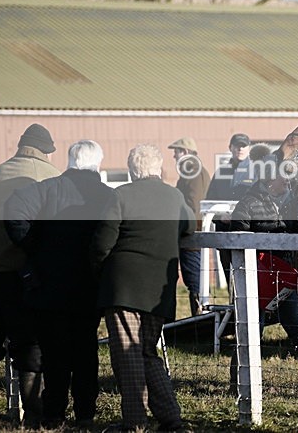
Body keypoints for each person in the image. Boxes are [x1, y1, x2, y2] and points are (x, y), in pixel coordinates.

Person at [4, 140, 114, 429]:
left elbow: (14, 212)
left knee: (54, 355)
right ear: (98, 164)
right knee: (86, 352)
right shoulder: (108, 196)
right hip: (89, 288)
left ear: (69, 161)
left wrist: (33, 247)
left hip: (49, 286)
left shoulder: (46, 189)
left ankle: (53, 413)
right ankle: (86, 413)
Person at [91, 144, 195, 432]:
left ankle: (135, 422)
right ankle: (171, 417)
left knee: (127, 353)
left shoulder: (120, 195)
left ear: (132, 170)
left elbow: (102, 243)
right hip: (158, 289)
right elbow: (189, 226)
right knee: (147, 351)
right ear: (158, 169)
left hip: (123, 287)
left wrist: (98, 272)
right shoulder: (174, 196)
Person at [0, 123, 60, 425]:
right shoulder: (46, 175)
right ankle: (33, 413)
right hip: (17, 272)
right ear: (47, 152)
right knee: (28, 343)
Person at [229, 155, 298, 395]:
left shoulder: (291, 204)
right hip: (258, 278)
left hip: (284, 276)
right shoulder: (247, 204)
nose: (289, 181)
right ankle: (238, 384)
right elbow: (236, 238)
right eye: (283, 177)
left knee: (297, 326)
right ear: (269, 178)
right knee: (251, 328)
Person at [206, 133, 257, 292]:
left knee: (251, 278)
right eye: (237, 145)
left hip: (249, 234)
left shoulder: (257, 172)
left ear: (249, 148)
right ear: (230, 148)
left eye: (243, 145)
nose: (240, 148)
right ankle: (233, 310)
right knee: (230, 279)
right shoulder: (220, 173)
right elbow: (209, 203)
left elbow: (262, 203)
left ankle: (254, 314)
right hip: (225, 233)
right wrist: (220, 216)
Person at [168, 137, 211, 316]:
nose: (174, 156)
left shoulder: (193, 171)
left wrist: (185, 230)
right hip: (190, 233)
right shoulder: (191, 171)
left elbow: (193, 207)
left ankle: (199, 320)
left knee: (195, 281)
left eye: (176, 151)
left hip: (191, 235)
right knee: (193, 281)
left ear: (185, 152)